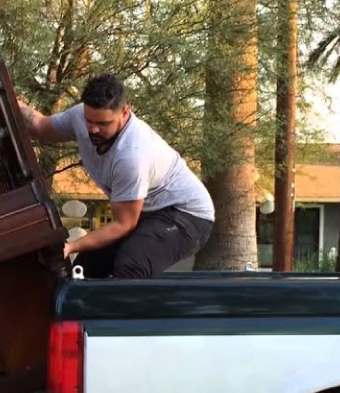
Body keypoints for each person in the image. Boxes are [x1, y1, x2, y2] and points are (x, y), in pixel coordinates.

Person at [18, 73, 216, 278]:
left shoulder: (132, 156)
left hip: (187, 216)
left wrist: (71, 246)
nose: (93, 129)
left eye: (104, 123)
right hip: (145, 213)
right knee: (85, 269)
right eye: (89, 121)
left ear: (124, 113)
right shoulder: (79, 116)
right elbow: (40, 126)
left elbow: (124, 223)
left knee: (132, 264)